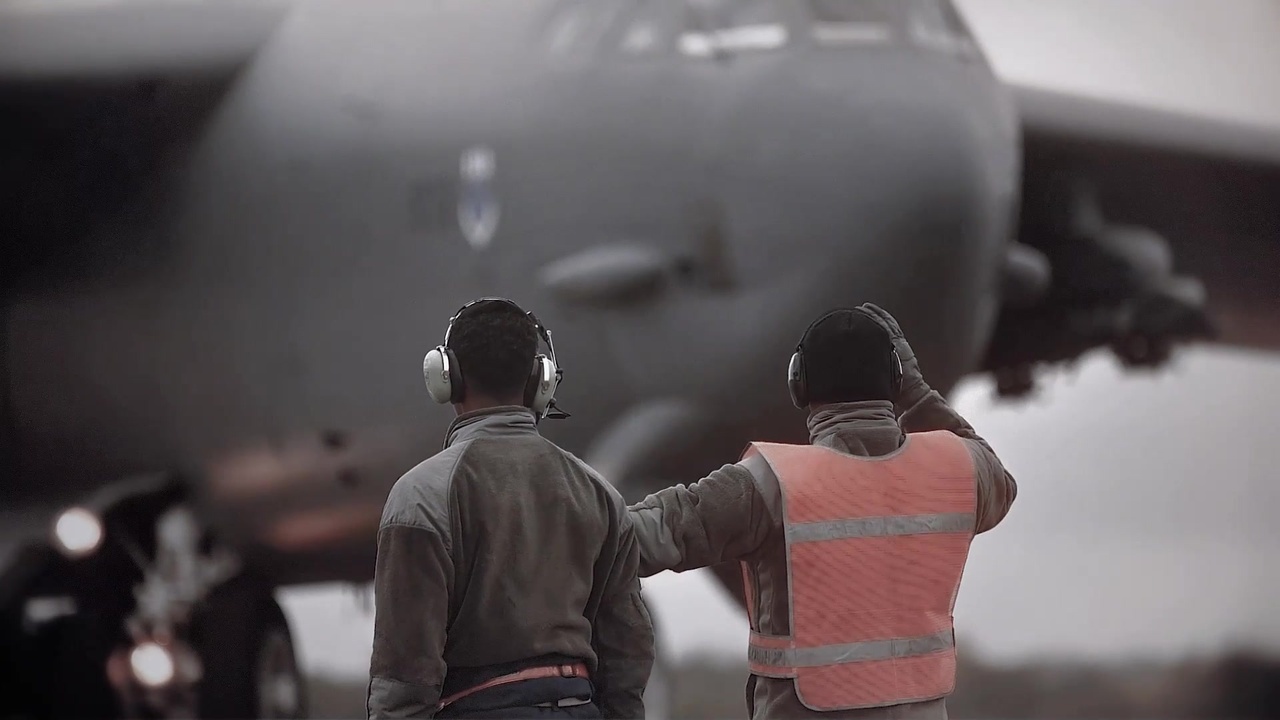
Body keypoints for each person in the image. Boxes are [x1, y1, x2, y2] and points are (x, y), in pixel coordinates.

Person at [628, 303, 1017, 720]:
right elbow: (994, 474)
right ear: (896, 379)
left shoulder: (771, 483)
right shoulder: (959, 471)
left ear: (799, 384)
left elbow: (641, 538)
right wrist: (918, 395)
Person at [368, 297, 654, 720]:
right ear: (541, 381)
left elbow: (405, 674)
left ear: (446, 378)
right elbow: (627, 650)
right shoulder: (599, 494)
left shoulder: (419, 497)